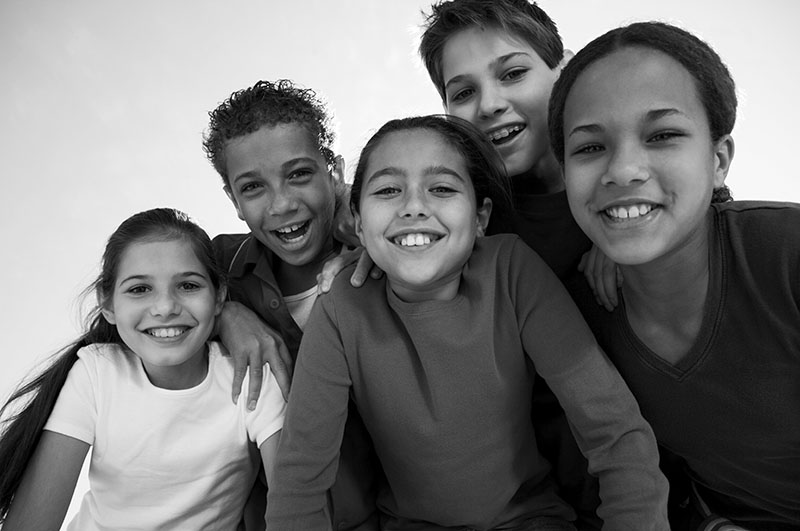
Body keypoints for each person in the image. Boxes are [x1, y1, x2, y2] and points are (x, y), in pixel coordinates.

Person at [266, 115, 670, 530]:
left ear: (480, 217)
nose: (413, 207)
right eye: (388, 191)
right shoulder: (340, 307)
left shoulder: (510, 270)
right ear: (358, 222)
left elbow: (614, 432)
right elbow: (301, 475)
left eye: (441, 189)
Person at [548, 21, 800, 530]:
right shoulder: (576, 318)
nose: (623, 170)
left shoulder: (786, 255)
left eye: (662, 135)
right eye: (590, 147)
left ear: (718, 160)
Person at [417, 2, 605, 526]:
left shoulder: (630, 194)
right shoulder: (463, 221)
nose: (490, 104)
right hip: (531, 501)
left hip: (643, 478)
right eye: (463, 92)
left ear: (564, 69)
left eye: (513, 73)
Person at [0, 208, 285, 529]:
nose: (165, 307)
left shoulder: (250, 375)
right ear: (107, 304)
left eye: (188, 286)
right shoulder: (96, 372)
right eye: (139, 289)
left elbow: (296, 505)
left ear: (219, 296)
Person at [202, 79, 381, 531]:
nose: (281, 204)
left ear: (334, 171)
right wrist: (224, 313)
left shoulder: (389, 252)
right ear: (233, 200)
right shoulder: (216, 266)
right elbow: (133, 313)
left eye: (299, 174)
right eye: (253, 187)